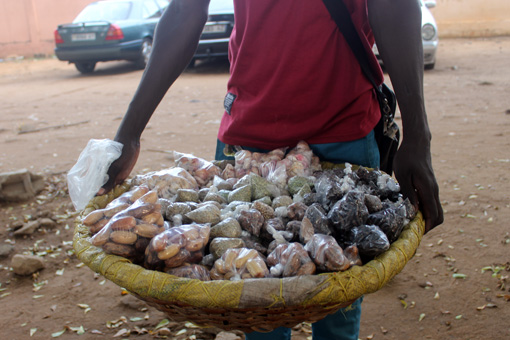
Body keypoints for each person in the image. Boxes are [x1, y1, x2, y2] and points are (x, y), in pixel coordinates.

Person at [98, 0, 444, 339]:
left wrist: (418, 133)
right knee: (253, 299)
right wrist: (128, 134)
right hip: (251, 139)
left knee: (340, 292)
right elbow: (185, 9)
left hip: (343, 128)